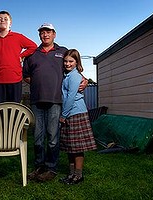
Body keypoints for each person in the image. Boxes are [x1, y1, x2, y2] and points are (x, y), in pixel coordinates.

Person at [23, 23, 88, 182]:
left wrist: (84, 79)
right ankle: (39, 166)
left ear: (54, 34)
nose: (45, 35)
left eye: (48, 32)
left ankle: (51, 168)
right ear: (39, 35)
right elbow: (26, 76)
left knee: (53, 137)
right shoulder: (32, 54)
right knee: (38, 137)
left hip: (56, 101)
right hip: (37, 101)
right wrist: (41, 82)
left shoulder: (62, 51)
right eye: (42, 32)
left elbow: (73, 67)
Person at [59, 49, 97, 185]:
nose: (67, 64)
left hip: (76, 113)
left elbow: (71, 97)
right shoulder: (67, 75)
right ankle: (71, 174)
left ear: (76, 62)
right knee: (70, 146)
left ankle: (78, 175)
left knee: (77, 147)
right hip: (69, 113)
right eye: (65, 61)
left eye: (71, 61)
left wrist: (63, 115)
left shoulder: (75, 76)